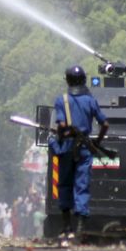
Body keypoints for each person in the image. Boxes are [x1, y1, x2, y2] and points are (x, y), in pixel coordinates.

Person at [51, 65, 109, 237]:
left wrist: (60, 133)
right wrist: (96, 142)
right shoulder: (91, 101)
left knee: (65, 184)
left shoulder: (61, 100)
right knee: (81, 185)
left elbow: (62, 125)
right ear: (83, 80)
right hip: (84, 149)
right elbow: (104, 124)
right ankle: (80, 227)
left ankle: (66, 226)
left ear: (67, 81)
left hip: (67, 148)